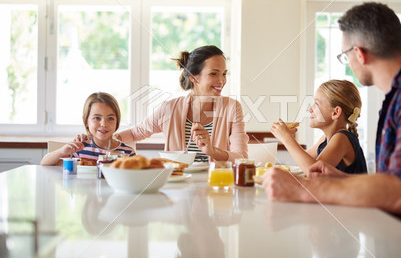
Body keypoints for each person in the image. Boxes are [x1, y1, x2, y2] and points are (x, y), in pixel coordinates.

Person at [263, 2, 401, 244]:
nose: (349, 63)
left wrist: (302, 189)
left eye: (345, 56)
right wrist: (343, 178)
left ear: (359, 53)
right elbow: (396, 180)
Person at [115, 45, 248, 162]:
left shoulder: (232, 108)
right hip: (176, 184)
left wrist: (212, 151)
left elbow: (241, 157)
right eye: (214, 74)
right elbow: (136, 133)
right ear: (193, 77)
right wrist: (104, 139)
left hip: (215, 184)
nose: (221, 81)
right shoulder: (170, 108)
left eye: (224, 74)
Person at [271, 79, 367, 174]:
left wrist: (287, 139)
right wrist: (289, 137)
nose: (310, 109)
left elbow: (314, 171)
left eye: (316, 104)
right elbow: (305, 158)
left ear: (335, 112)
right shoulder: (327, 137)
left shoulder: (342, 138)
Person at [41, 92, 135, 165]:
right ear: (86, 121)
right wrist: (61, 152)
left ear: (117, 121)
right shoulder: (79, 148)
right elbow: (44, 163)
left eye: (110, 118)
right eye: (97, 118)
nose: (103, 124)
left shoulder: (127, 153)